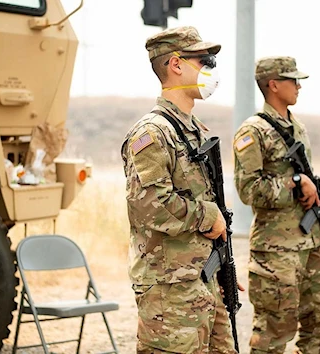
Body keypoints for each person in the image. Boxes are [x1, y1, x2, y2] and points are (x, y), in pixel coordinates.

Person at [120, 26, 241, 354]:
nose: (209, 70)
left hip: (202, 278)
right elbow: (152, 206)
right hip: (169, 290)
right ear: (176, 65)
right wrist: (209, 216)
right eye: (204, 60)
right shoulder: (151, 134)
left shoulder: (195, 131)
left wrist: (221, 264)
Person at [233, 56, 320, 354]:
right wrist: (294, 183)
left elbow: (310, 178)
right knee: (273, 331)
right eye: (293, 80)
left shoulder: (298, 127)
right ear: (273, 85)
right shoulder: (252, 131)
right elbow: (248, 189)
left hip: (311, 242)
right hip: (275, 250)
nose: (298, 86)